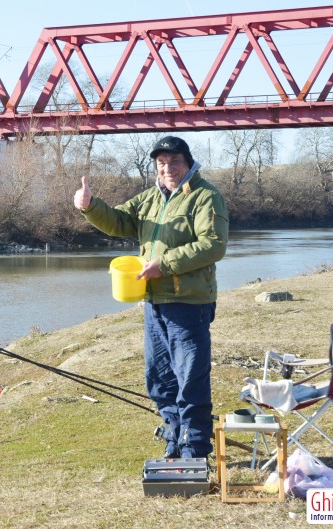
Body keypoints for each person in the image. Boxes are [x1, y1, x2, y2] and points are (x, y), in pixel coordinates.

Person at [73, 136, 228, 459]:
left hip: (189, 304)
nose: (167, 168)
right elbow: (118, 222)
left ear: (188, 162)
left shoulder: (205, 197)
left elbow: (213, 245)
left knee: (190, 379)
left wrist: (165, 265)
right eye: (161, 163)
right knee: (159, 379)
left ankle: (195, 448)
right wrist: (90, 207)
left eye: (174, 162)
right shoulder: (150, 199)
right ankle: (173, 439)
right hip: (153, 302)